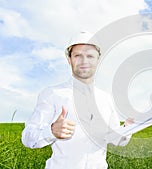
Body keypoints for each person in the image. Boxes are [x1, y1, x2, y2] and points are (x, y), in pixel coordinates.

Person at [22, 31, 133, 169]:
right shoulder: (52, 94)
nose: (84, 61)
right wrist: (51, 131)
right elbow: (27, 138)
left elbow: (117, 140)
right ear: (69, 60)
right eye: (78, 55)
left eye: (90, 56)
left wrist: (128, 128)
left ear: (98, 60)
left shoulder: (105, 98)